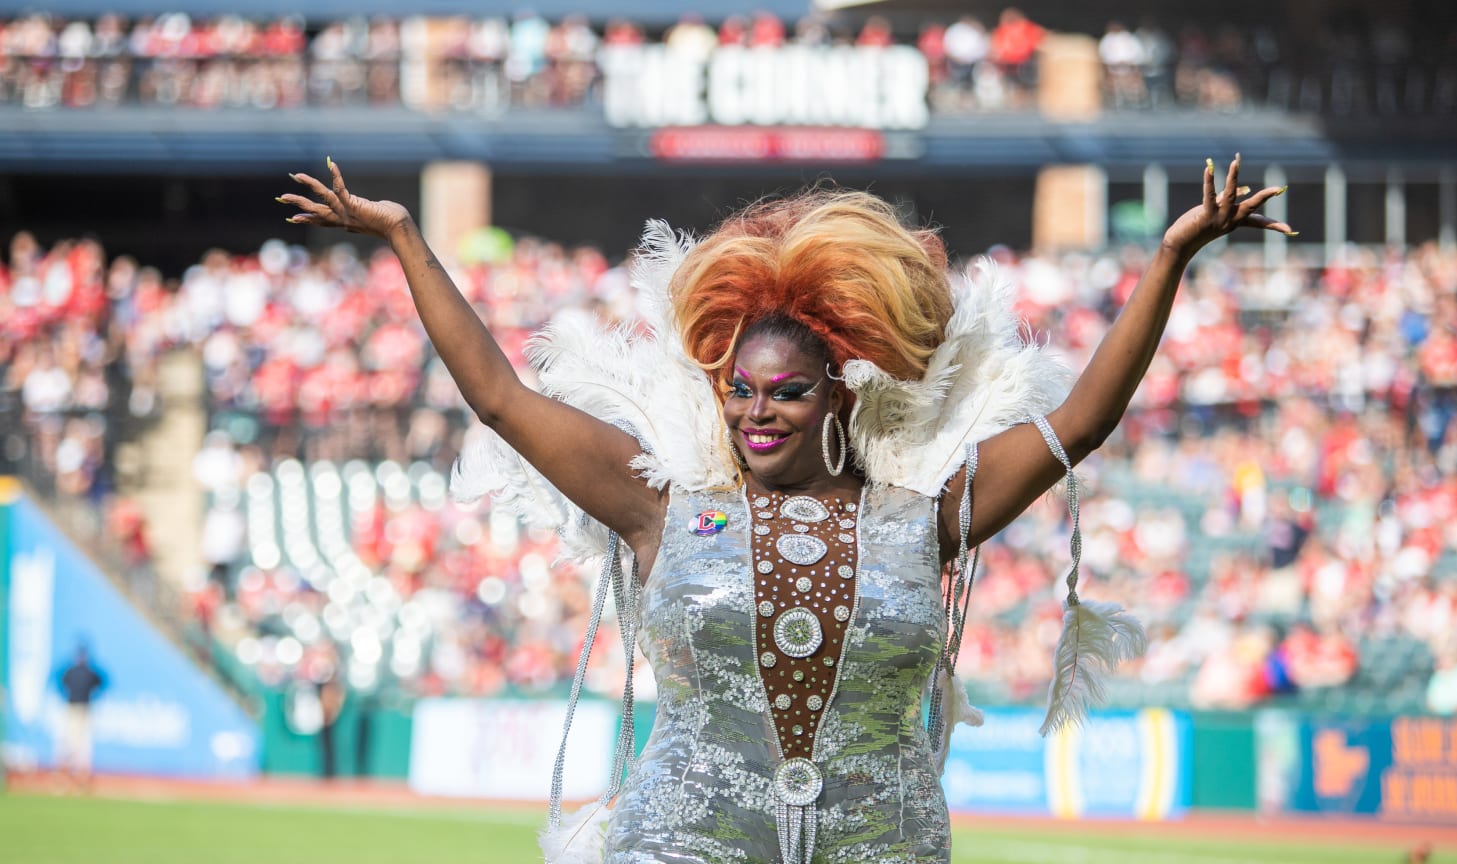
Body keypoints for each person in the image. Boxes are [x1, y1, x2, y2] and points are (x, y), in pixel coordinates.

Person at [279, 154, 1292, 863]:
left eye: (788, 392)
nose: (758, 411)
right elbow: (502, 398)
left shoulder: (920, 516)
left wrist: (1169, 258)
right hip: (680, 843)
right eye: (742, 390)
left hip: (881, 847)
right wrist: (405, 237)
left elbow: (1082, 419)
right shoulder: (660, 505)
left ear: (838, 397)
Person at [57, 643, 107, 789]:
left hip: (84, 709)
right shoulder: (73, 671)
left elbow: (102, 683)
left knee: (82, 744)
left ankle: (81, 777)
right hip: (73, 708)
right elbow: (61, 682)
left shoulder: (88, 672)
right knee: (70, 742)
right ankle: (66, 775)